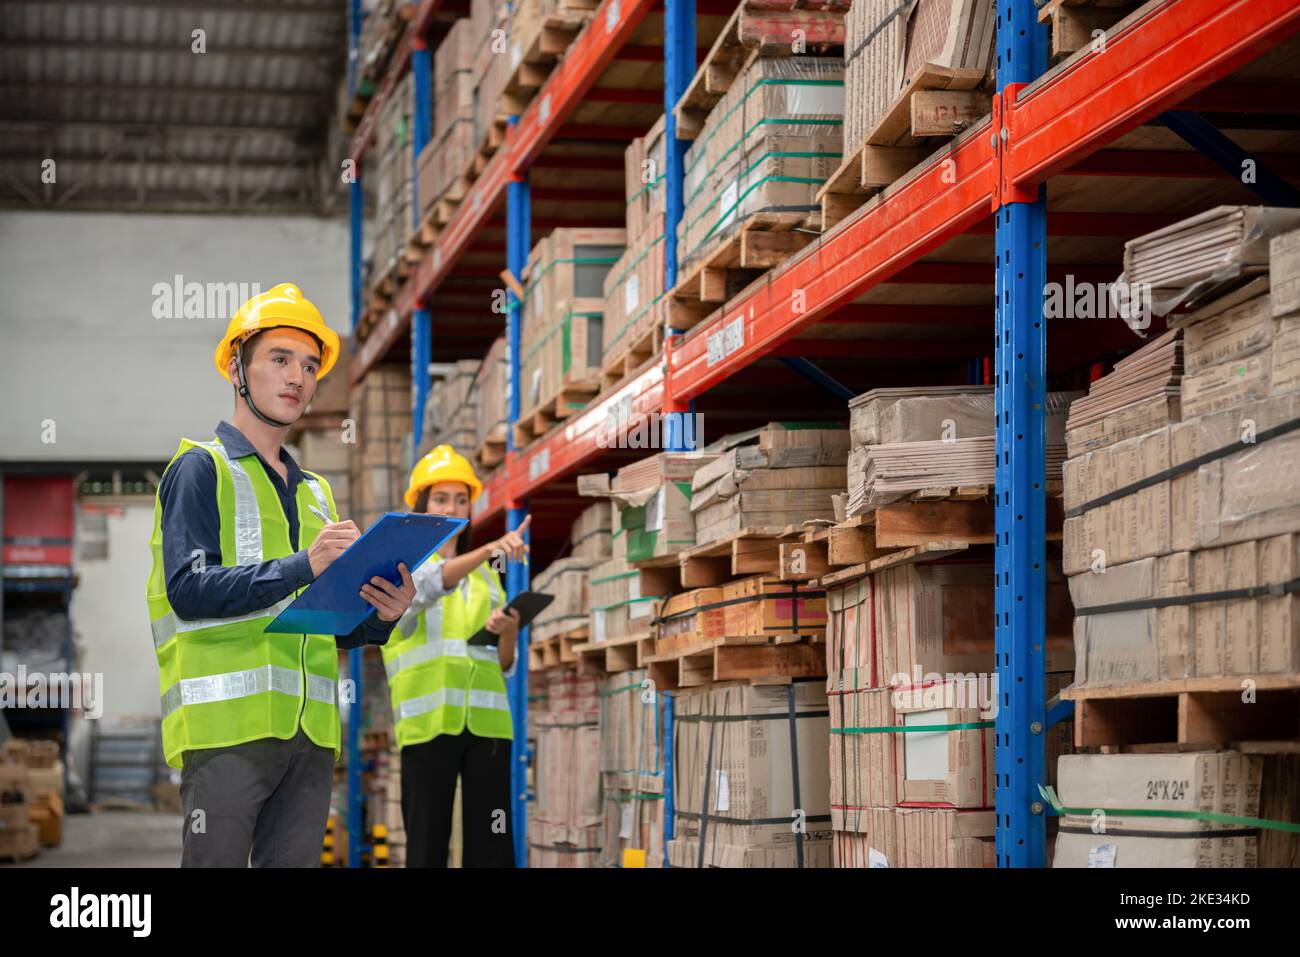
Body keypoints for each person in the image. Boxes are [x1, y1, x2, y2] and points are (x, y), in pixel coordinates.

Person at [145, 283, 417, 867]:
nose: (299, 376)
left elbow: (321, 624)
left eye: (311, 365)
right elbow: (188, 590)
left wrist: (380, 618)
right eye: (280, 358)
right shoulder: (199, 469)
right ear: (238, 369)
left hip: (310, 738)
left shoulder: (316, 492)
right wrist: (304, 564)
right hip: (226, 733)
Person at [383, 445, 531, 867]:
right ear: (421, 505)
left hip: (487, 724)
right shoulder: (401, 570)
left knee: (492, 846)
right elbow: (431, 585)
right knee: (427, 846)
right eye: (441, 498)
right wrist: (489, 549)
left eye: (461, 499)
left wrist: (510, 630)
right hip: (428, 724)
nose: (452, 508)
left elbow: (504, 663)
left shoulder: (486, 578)